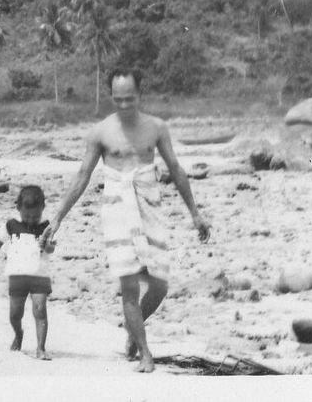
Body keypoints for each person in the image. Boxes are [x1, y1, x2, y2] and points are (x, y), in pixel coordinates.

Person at [41, 68, 211, 372]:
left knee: (159, 286)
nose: (123, 105)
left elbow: (175, 168)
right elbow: (82, 176)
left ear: (140, 94)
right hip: (117, 208)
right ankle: (145, 352)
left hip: (148, 205)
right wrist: (57, 219)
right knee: (129, 286)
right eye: (117, 99)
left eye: (129, 99)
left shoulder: (156, 127)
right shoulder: (100, 132)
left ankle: (135, 327)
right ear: (111, 97)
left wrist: (195, 214)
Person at [0, 185, 56, 360]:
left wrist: (48, 245)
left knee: (40, 311)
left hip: (40, 275)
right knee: (15, 314)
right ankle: (18, 333)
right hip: (17, 275)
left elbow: (52, 248)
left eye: (35, 216)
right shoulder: (11, 225)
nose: (31, 220)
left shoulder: (47, 226)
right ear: (18, 209)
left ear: (43, 209)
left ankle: (41, 348)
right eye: (27, 215)